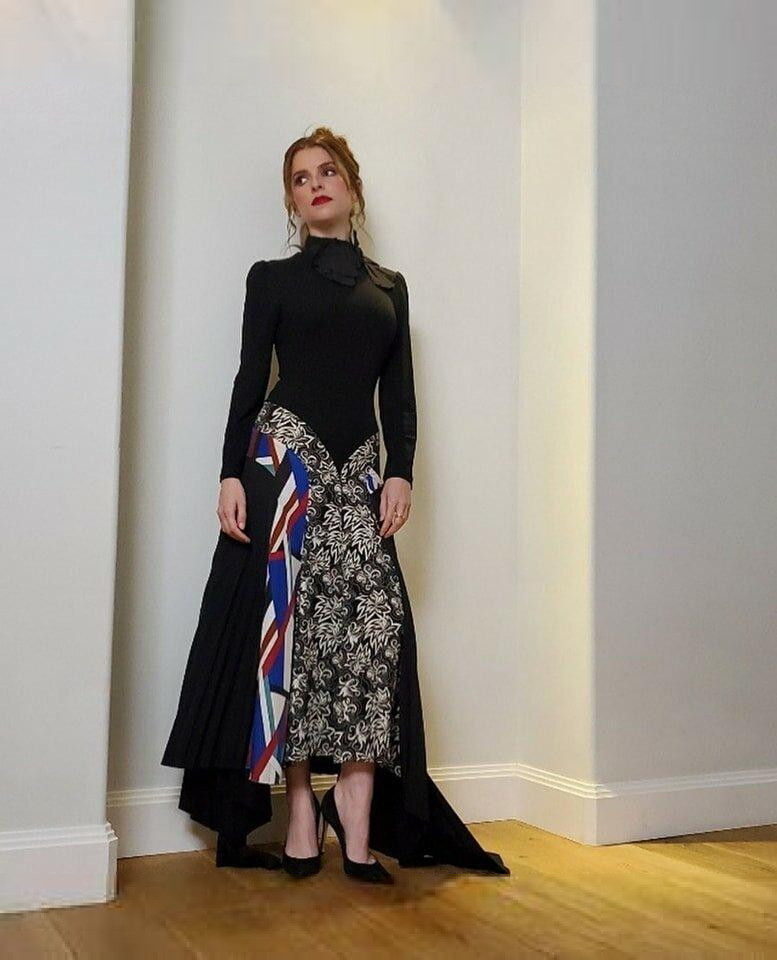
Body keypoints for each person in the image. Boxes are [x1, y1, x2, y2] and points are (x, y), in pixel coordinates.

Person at [161, 126, 509, 884]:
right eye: (299, 178)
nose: (314, 184)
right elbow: (249, 378)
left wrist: (400, 472)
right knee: (289, 641)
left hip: (357, 474)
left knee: (370, 639)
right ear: (292, 201)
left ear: (351, 185)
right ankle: (298, 817)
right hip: (283, 466)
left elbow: (400, 394)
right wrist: (228, 474)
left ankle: (354, 819)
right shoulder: (270, 279)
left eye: (327, 172)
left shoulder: (390, 287)